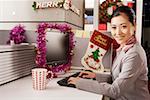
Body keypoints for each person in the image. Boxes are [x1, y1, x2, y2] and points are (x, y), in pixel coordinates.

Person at [68, 6, 150, 100]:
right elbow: (117, 77)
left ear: (134, 26)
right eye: (114, 27)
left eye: (123, 26)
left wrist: (80, 82)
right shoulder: (124, 47)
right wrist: (95, 76)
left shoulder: (134, 54)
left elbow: (115, 90)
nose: (118, 32)